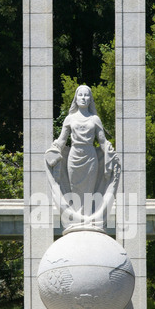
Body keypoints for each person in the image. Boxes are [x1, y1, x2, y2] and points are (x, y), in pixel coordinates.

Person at [45, 85, 120, 232]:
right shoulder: (69, 119)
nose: (84, 98)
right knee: (75, 188)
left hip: (90, 157)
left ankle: (88, 220)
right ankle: (77, 219)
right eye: (81, 95)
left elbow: (103, 142)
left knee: (88, 190)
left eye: (86, 95)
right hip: (74, 157)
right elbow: (61, 141)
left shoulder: (95, 119)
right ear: (76, 98)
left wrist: (111, 154)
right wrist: (53, 151)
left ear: (90, 99)